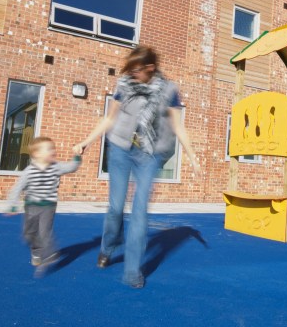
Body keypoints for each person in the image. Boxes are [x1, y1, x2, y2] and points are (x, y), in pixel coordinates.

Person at [73, 45, 199, 288]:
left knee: (140, 209)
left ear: (150, 68)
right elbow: (109, 118)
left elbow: (177, 126)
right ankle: (108, 247)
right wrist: (85, 142)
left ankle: (132, 271)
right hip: (121, 149)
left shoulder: (169, 90)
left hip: (150, 154)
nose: (132, 74)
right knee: (116, 208)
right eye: (129, 70)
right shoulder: (124, 85)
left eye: (137, 70)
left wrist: (192, 156)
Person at [6, 136, 81, 277]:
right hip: (31, 206)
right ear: (36, 154)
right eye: (48, 148)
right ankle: (36, 251)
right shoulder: (29, 171)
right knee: (29, 234)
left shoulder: (56, 167)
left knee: (44, 231)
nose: (53, 150)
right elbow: (17, 187)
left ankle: (49, 254)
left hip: (48, 206)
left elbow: (71, 167)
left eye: (53, 148)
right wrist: (12, 205)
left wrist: (77, 157)